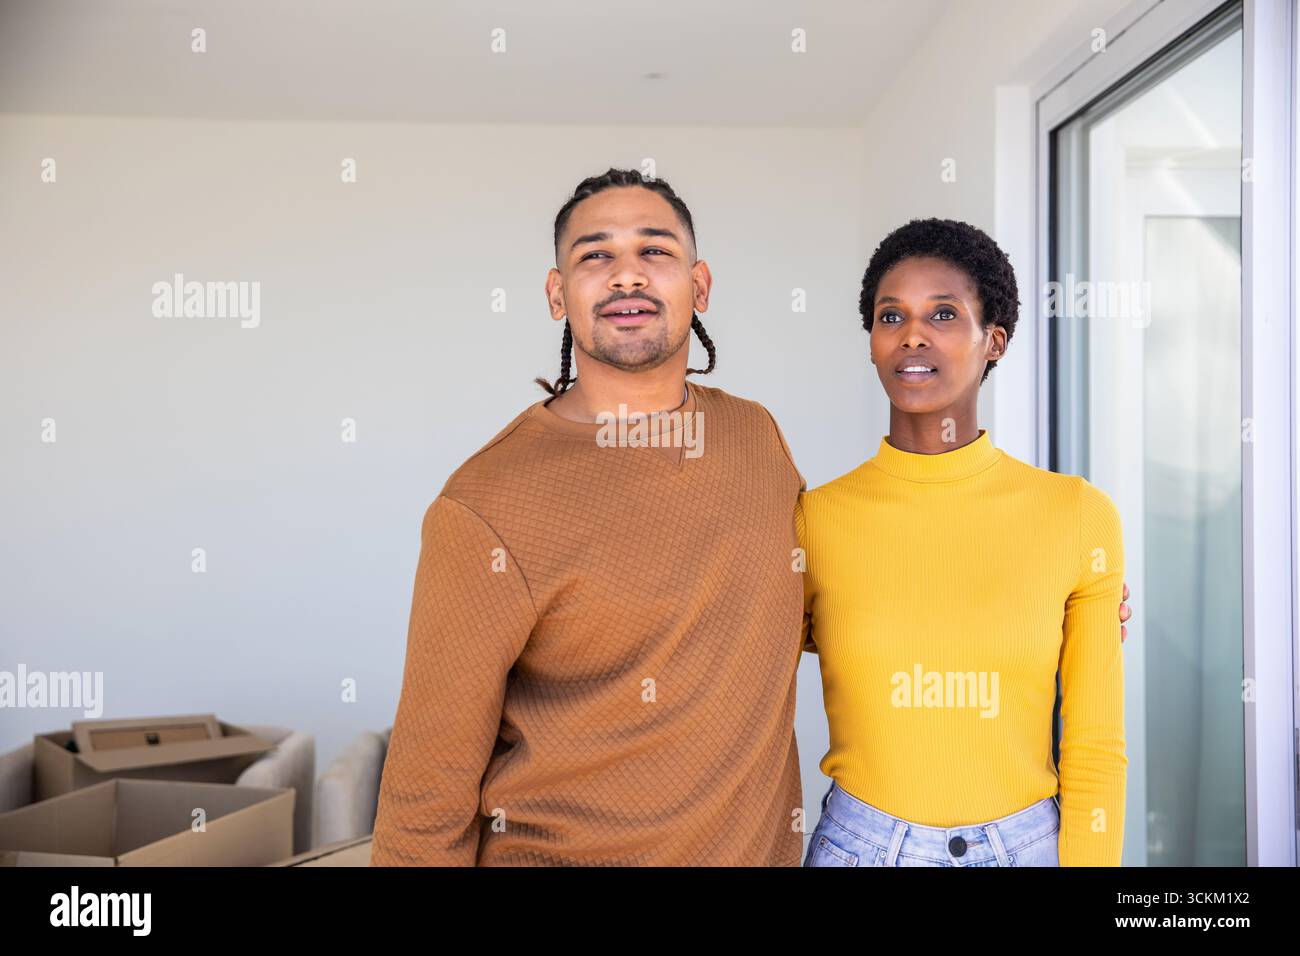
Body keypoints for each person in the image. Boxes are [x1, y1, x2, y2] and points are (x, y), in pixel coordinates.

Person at [799, 218, 1127, 867]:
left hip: (1030, 848)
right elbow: (738, 677)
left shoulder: (1078, 516)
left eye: (943, 313)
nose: (912, 334)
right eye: (890, 316)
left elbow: (1094, 747)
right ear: (871, 342)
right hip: (860, 847)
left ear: (994, 340)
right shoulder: (813, 520)